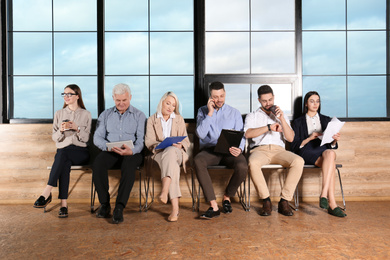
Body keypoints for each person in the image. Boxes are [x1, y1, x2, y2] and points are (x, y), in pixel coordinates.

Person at [244, 85, 304, 217]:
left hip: (279, 151)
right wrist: (269, 127)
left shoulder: (281, 115)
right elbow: (248, 134)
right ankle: (266, 200)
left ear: (274, 98)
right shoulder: (252, 116)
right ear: (259, 100)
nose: (268, 103)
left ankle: (284, 201)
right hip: (260, 150)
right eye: (264, 101)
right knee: (252, 163)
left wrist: (281, 118)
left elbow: (291, 138)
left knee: (298, 161)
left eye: (270, 100)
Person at [33, 84, 92, 218]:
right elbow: (55, 138)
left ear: (77, 96)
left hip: (80, 152)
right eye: (64, 94)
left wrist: (77, 129)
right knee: (64, 160)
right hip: (63, 152)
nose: (66, 97)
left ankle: (46, 192)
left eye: (69, 94)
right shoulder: (59, 113)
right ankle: (63, 205)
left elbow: (86, 138)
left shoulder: (86, 114)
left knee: (62, 155)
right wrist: (60, 131)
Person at [93, 83, 146, 224]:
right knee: (98, 163)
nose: (121, 104)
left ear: (130, 98)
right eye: (118, 100)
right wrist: (108, 147)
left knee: (129, 165)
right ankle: (104, 205)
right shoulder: (105, 115)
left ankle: (119, 207)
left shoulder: (139, 115)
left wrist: (132, 150)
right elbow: (97, 138)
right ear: (113, 98)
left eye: (124, 100)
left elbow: (141, 140)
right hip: (111, 151)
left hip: (132, 152)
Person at [194, 81, 248, 219]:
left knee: (242, 166)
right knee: (198, 161)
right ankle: (214, 206)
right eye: (215, 97)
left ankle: (227, 197)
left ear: (225, 94)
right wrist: (210, 113)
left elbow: (242, 135)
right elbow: (200, 134)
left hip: (230, 151)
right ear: (210, 97)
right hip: (211, 151)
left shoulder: (234, 112)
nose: (219, 100)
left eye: (221, 96)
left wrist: (240, 148)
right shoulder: (202, 111)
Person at [291, 91, 346, 217]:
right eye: (312, 101)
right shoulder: (298, 122)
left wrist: (335, 140)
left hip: (323, 149)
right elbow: (295, 146)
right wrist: (310, 137)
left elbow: (333, 145)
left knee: (331, 154)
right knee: (331, 163)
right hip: (307, 150)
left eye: (317, 101)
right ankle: (332, 203)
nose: (315, 104)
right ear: (306, 104)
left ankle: (323, 194)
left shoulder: (326, 120)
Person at [145, 91, 190, 222]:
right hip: (159, 153)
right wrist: (162, 145)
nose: (170, 107)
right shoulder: (151, 120)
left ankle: (165, 191)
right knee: (172, 164)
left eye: (173, 105)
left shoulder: (179, 119)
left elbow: (186, 141)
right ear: (162, 103)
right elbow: (149, 141)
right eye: (168, 103)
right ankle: (175, 210)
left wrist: (180, 145)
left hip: (177, 153)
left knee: (171, 151)